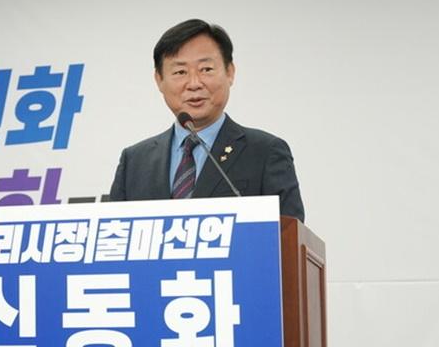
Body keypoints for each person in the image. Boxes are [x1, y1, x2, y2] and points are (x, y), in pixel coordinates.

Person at [109, 19, 305, 222]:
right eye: (180, 72)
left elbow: (288, 233)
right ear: (159, 80)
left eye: (206, 69)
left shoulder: (265, 152)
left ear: (230, 72)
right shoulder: (134, 161)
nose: (194, 83)